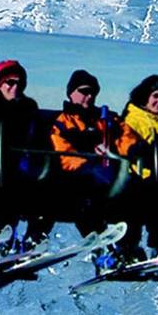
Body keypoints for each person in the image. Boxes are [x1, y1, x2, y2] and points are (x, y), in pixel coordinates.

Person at [0, 59, 51, 248]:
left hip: (23, 169)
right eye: (10, 82)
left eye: (19, 83)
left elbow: (39, 140)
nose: (15, 87)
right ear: (0, 84)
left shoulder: (29, 109)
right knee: (5, 191)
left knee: (49, 192)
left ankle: (34, 236)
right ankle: (3, 237)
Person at [49, 69, 126, 237]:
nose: (89, 96)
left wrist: (131, 149)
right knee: (83, 196)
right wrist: (90, 163)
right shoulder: (63, 122)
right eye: (84, 91)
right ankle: (96, 238)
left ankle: (123, 247)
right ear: (71, 93)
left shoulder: (107, 119)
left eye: (93, 92)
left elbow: (127, 138)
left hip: (108, 176)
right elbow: (65, 156)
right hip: (79, 178)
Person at [115, 74, 158, 258]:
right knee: (135, 198)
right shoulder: (133, 119)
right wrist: (138, 149)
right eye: (156, 96)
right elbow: (124, 141)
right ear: (146, 96)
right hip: (137, 175)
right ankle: (127, 247)